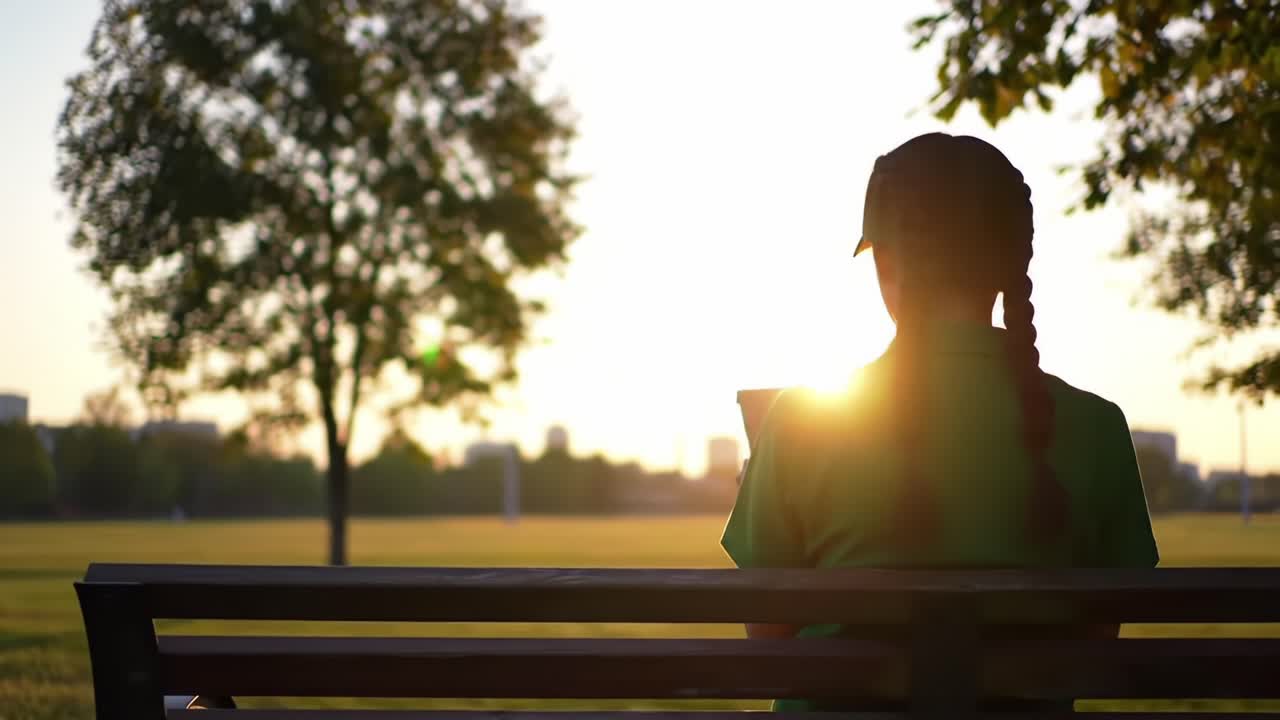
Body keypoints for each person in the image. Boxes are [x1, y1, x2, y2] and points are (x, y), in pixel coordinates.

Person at [721, 132, 1159, 712]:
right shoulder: (1098, 427)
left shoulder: (800, 422)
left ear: (888, 262)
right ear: (1009, 264)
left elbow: (771, 644)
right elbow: (1093, 643)